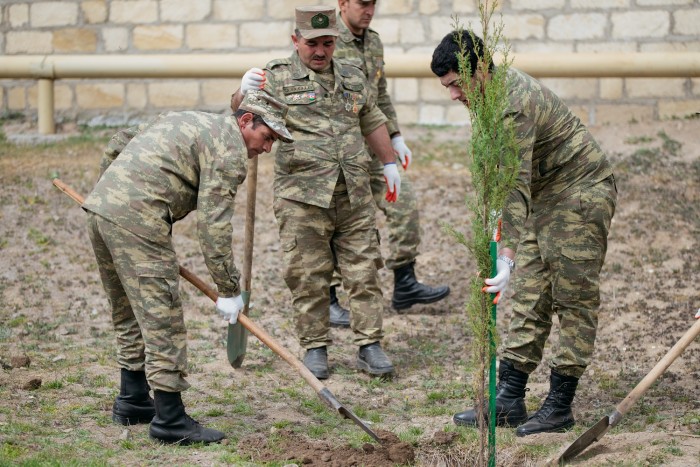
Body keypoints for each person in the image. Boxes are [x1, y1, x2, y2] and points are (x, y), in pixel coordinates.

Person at [431, 30, 617, 436]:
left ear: (479, 70)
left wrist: (506, 254)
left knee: (572, 297)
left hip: (580, 191)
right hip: (545, 196)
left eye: (457, 85)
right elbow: (500, 178)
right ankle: (510, 397)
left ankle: (560, 405)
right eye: (447, 87)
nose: (453, 96)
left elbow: (513, 182)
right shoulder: (488, 96)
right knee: (531, 295)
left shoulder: (513, 104)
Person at [83, 91, 293, 445]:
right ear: (245, 121)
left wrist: (109, 192)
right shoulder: (230, 152)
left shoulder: (187, 118)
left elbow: (119, 140)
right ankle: (170, 420)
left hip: (102, 209)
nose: (267, 148)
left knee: (127, 312)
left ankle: (133, 399)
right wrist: (229, 290)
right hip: (138, 221)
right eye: (267, 136)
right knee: (163, 317)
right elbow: (213, 227)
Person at [231, 5, 401, 380]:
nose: (320, 51)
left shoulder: (353, 74)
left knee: (364, 271)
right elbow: (244, 114)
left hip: (353, 192)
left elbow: (370, 117)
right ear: (296, 41)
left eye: (327, 43)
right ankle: (315, 347)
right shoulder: (275, 76)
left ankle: (369, 345)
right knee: (309, 274)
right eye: (312, 44)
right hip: (302, 196)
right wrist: (240, 91)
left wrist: (389, 161)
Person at [325, 0, 450, 326]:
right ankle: (327, 298)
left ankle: (404, 282)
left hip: (376, 146)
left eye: (373, 4)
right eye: (362, 4)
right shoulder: (327, 39)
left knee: (403, 202)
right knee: (340, 222)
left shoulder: (374, 40)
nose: (368, 10)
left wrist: (394, 136)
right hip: (341, 149)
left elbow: (379, 95)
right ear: (343, 4)